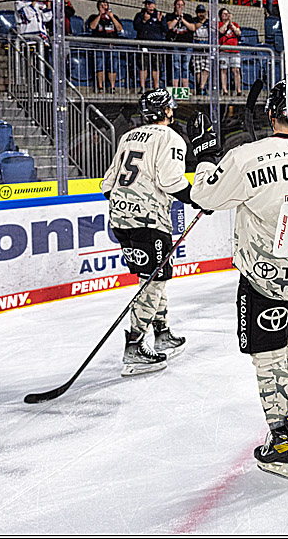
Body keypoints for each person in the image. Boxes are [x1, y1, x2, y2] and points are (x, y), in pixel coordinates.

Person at [188, 82, 288, 481]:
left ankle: (283, 444)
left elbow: (205, 197)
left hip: (264, 282)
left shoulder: (246, 157)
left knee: (269, 358)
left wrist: (204, 159)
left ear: (271, 114)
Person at [100, 89, 206, 376]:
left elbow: (107, 184)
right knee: (155, 281)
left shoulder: (128, 137)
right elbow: (171, 182)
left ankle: (162, 332)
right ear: (167, 111)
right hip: (148, 220)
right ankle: (134, 346)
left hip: (120, 216)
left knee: (153, 277)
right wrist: (199, 198)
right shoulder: (170, 138)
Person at [86, 0, 123, 93]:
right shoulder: (93, 17)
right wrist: (100, 15)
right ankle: (101, 87)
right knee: (100, 66)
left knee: (112, 66)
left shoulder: (114, 17)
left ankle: (112, 87)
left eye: (105, 5)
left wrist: (112, 17)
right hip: (99, 46)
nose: (104, 7)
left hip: (111, 46)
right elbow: (92, 26)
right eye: (102, 6)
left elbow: (119, 28)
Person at [133, 0, 166, 90]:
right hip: (144, 45)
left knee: (156, 67)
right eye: (147, 4)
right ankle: (142, 87)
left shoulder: (159, 15)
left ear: (154, 5)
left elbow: (165, 29)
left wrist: (160, 22)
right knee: (143, 66)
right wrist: (144, 21)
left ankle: (156, 87)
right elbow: (136, 27)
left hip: (156, 45)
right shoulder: (140, 15)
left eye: (150, 4)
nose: (148, 6)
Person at [166, 0, 196, 90]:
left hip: (187, 45)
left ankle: (185, 88)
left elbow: (192, 28)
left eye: (181, 5)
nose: (180, 7)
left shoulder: (188, 16)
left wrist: (182, 19)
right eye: (178, 5)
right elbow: (169, 27)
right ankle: (175, 87)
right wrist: (176, 18)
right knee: (176, 66)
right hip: (175, 44)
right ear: (174, 6)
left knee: (185, 66)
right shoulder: (169, 16)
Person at [218, 8, 243, 95]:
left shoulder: (234, 24)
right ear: (220, 16)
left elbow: (238, 33)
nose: (226, 15)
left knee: (236, 70)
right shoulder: (219, 24)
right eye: (224, 14)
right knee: (223, 70)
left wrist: (231, 23)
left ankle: (239, 90)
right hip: (224, 50)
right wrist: (226, 23)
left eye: (227, 14)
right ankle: (225, 90)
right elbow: (221, 31)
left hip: (234, 50)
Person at [191, 5, 211, 95]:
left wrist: (209, 17)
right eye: (199, 12)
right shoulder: (194, 21)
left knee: (206, 69)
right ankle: (199, 87)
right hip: (196, 48)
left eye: (203, 12)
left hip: (206, 49)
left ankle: (202, 87)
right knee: (198, 69)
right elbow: (194, 27)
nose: (201, 14)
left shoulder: (208, 22)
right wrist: (202, 21)